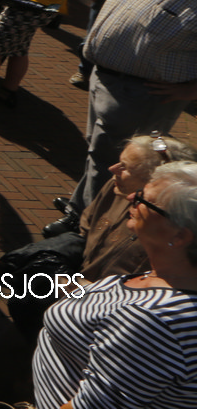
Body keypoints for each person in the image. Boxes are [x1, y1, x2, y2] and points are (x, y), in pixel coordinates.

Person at [60, 0, 197, 225]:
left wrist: (191, 90)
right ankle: (80, 208)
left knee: (116, 162)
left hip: (143, 94)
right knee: (98, 151)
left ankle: (87, 226)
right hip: (104, 78)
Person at [33, 163, 197, 409]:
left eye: (145, 199)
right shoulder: (169, 280)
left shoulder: (153, 322)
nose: (131, 197)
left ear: (180, 236)